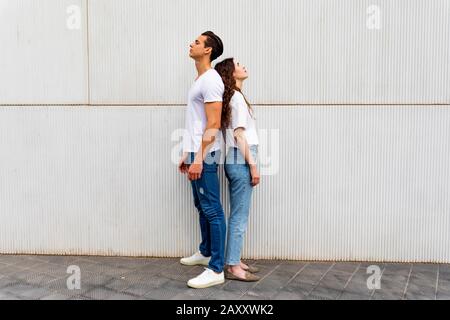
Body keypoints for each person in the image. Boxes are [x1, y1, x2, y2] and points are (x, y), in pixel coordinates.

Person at [178, 31, 227, 289]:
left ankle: (216, 268)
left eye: (196, 42)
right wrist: (187, 153)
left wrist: (199, 157)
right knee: (201, 205)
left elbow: (214, 123)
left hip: (206, 155)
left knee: (212, 209)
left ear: (207, 50)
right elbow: (196, 123)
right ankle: (206, 251)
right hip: (197, 153)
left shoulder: (211, 80)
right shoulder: (199, 79)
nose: (191, 43)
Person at [214, 58, 260, 281]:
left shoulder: (233, 98)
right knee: (239, 216)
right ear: (232, 74)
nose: (243, 66)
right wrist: (253, 164)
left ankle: (235, 259)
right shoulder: (237, 99)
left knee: (238, 214)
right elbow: (239, 135)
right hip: (240, 160)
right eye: (239, 65)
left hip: (235, 159)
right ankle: (233, 266)